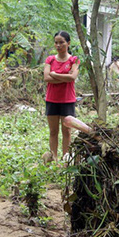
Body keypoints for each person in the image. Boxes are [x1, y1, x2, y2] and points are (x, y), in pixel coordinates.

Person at [44, 31, 80, 161]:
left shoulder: (74, 60)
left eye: (61, 42)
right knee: (53, 131)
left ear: (68, 43)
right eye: (56, 42)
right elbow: (46, 77)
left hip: (68, 100)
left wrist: (55, 74)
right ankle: (54, 158)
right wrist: (65, 77)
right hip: (52, 99)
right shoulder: (50, 59)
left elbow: (72, 77)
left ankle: (66, 159)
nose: (58, 45)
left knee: (67, 132)